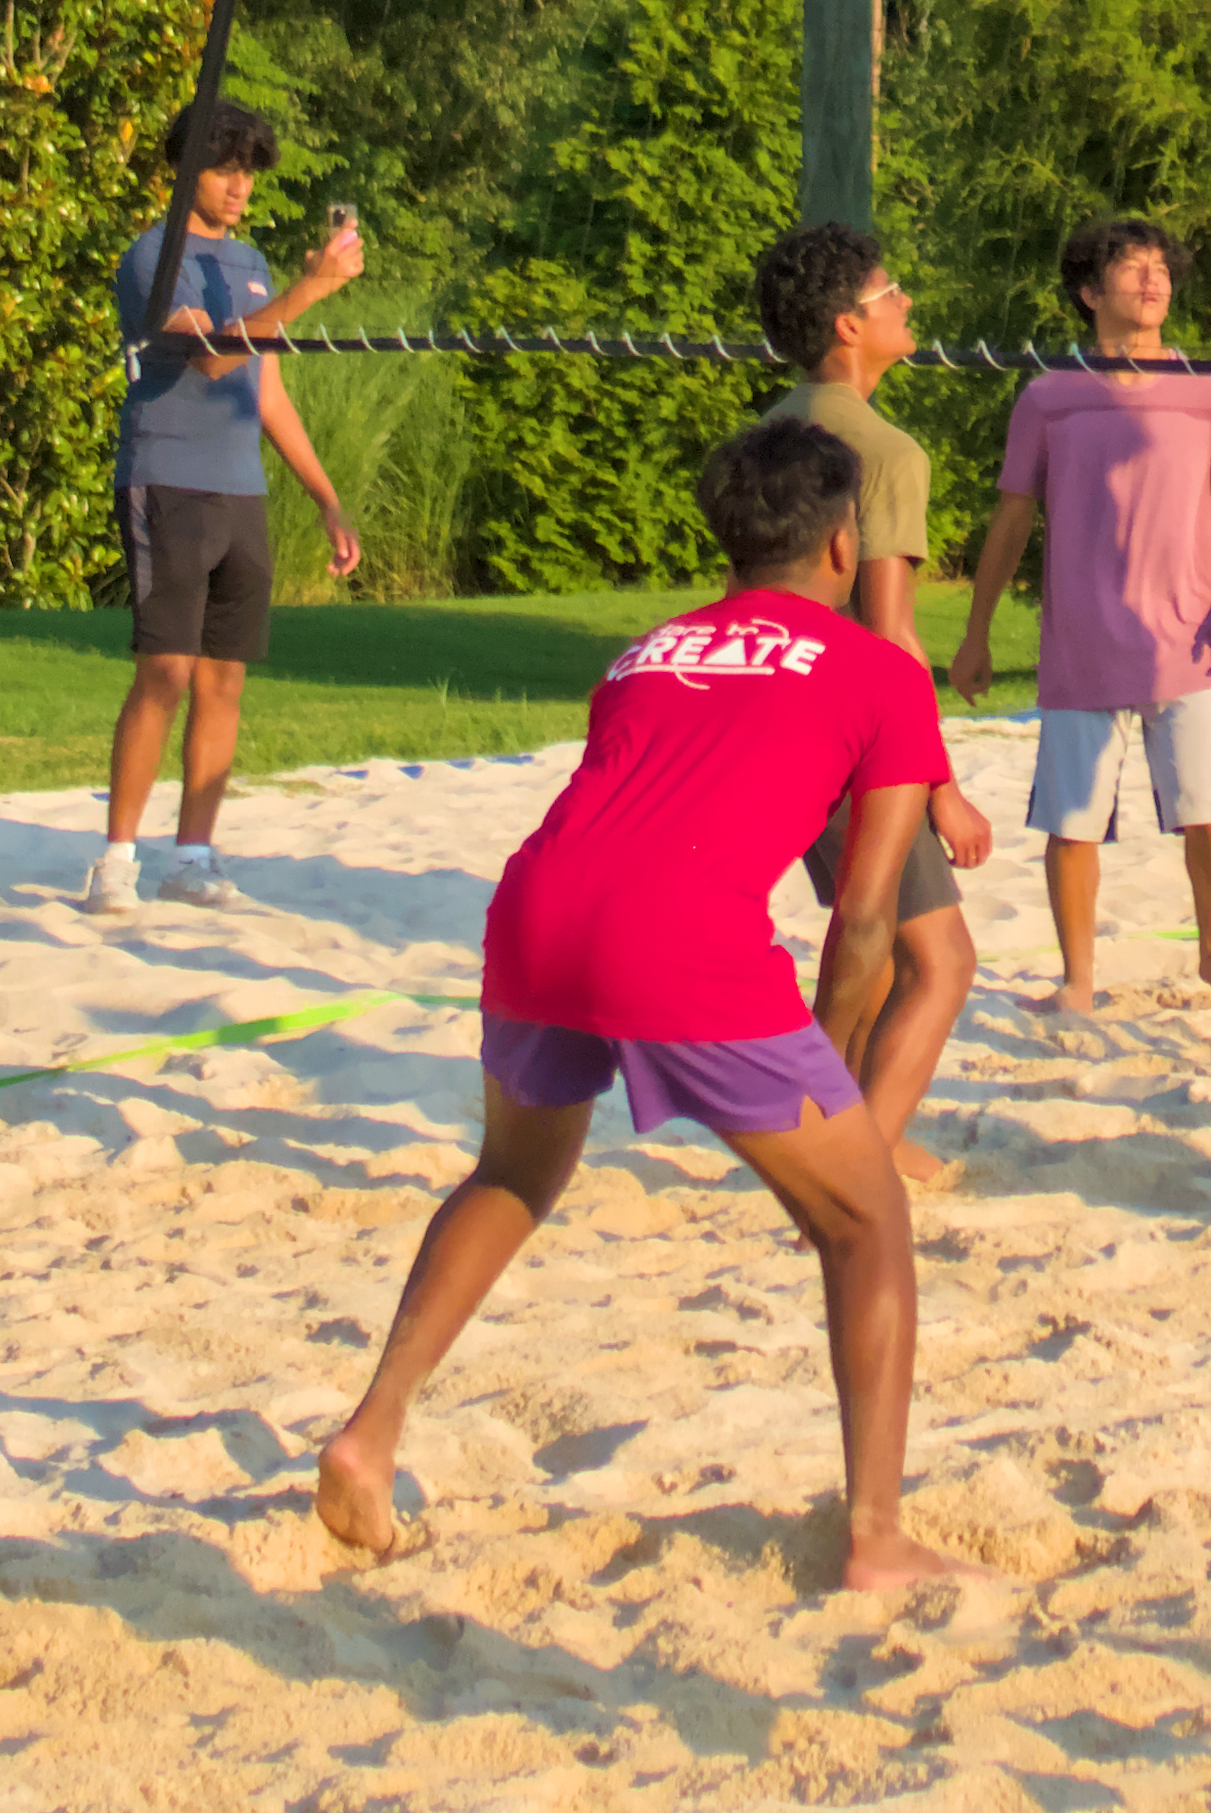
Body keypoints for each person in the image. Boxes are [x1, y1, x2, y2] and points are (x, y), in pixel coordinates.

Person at [314, 410, 949, 1587]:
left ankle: (372, 1428)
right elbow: (865, 918)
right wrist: (833, 1056)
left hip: (535, 915)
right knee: (866, 1225)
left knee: (511, 1172)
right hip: (683, 943)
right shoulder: (880, 668)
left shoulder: (647, 650)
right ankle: (875, 1538)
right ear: (842, 546)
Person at [955, 215, 1211, 1013]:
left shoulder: (1210, 391)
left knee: (1205, 807)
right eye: (1133, 269)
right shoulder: (1049, 396)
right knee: (1073, 819)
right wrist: (975, 633)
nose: (1152, 281)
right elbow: (1011, 520)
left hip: (1191, 636)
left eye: (1161, 268)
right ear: (1089, 291)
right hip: (1082, 642)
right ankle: (1079, 979)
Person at [87, 97, 368, 914]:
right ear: (184, 171)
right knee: (164, 672)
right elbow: (210, 360)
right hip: (168, 478)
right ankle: (115, 861)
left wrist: (326, 499)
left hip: (241, 487)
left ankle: (193, 856)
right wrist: (312, 288)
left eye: (249, 170)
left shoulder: (248, 260)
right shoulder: (153, 257)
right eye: (225, 167)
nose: (241, 185)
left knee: (223, 681)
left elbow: (266, 393)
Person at [756, 221, 993, 1172]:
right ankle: (855, 1157)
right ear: (846, 327)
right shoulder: (885, 452)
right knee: (941, 963)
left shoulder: (764, 432)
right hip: (850, 737)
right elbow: (890, 638)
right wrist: (939, 786)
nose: (907, 307)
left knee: (872, 949)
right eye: (890, 295)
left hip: (761, 718)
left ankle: (853, 1136)